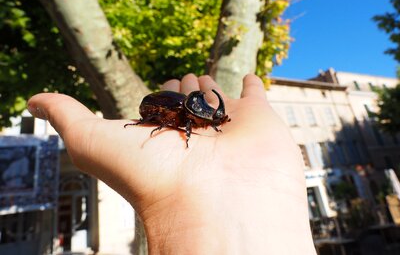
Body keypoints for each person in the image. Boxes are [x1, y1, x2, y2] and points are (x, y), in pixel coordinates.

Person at [28, 74, 316, 254]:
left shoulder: (197, 112)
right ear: (198, 112)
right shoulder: (183, 111)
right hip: (152, 109)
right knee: (168, 119)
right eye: (210, 118)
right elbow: (176, 116)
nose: (212, 122)